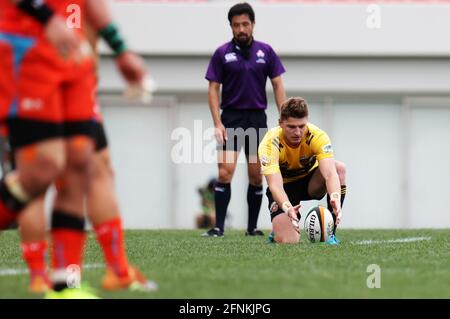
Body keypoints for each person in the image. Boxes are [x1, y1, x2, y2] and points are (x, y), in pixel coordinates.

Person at [203, 2, 286, 237]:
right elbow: (213, 88)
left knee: (256, 174)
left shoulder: (266, 52)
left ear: (253, 25)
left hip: (257, 119)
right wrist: (217, 123)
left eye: (245, 24)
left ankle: (252, 228)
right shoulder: (222, 54)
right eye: (236, 25)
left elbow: (278, 83)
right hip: (231, 118)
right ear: (231, 27)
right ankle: (218, 227)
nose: (241, 29)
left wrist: (284, 116)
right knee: (224, 172)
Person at [258, 97, 347, 245]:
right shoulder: (269, 143)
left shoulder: (317, 136)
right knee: (288, 241)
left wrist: (335, 197)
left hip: (310, 184)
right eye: (291, 127)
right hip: (285, 189)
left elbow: (330, 173)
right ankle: (277, 231)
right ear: (280, 123)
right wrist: (287, 208)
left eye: (302, 126)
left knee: (339, 168)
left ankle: (330, 234)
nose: (298, 132)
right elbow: (275, 185)